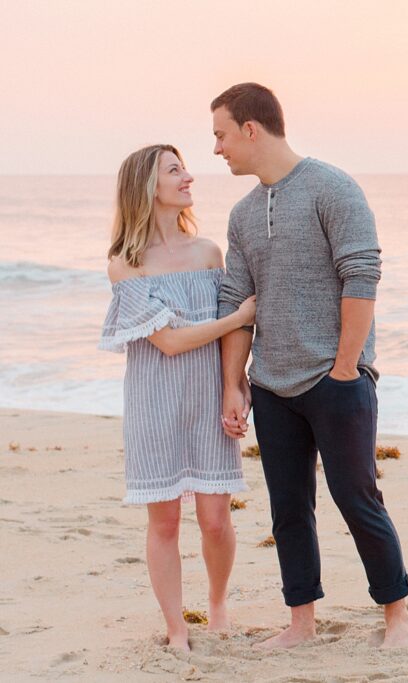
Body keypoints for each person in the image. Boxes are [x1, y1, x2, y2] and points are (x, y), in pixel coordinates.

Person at [212, 82, 408, 649]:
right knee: (288, 510)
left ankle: (396, 614)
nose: (217, 148)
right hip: (271, 386)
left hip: (336, 379)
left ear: (251, 129)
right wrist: (235, 384)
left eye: (221, 135)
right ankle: (301, 622)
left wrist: (346, 368)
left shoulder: (332, 187)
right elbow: (236, 305)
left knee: (357, 498)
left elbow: (362, 275)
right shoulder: (243, 213)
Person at [99, 144, 257, 651]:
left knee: (215, 518)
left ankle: (216, 606)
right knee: (164, 520)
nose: (188, 176)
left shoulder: (209, 253)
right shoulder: (126, 264)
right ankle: (175, 627)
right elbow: (166, 342)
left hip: (208, 401)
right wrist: (238, 316)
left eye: (183, 167)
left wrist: (237, 387)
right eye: (175, 170)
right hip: (154, 404)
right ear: (149, 186)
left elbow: (232, 340)